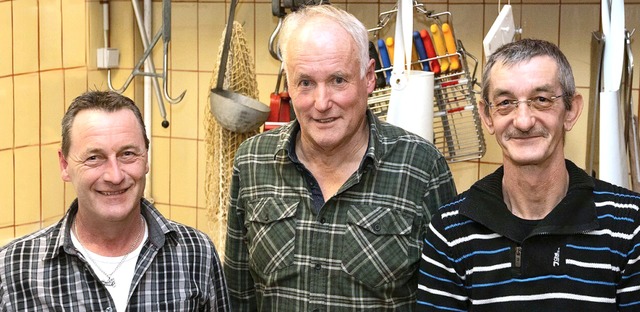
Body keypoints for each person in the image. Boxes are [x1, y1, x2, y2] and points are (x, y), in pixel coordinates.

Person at [223, 5, 456, 311]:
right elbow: (237, 296)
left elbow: (447, 300)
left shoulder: (421, 168)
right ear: (289, 84)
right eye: (305, 82)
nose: (321, 103)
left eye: (337, 80)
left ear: (369, 78)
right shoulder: (252, 162)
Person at [416, 38, 640, 311]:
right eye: (505, 102)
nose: (523, 121)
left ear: (571, 111)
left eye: (541, 100)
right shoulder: (451, 230)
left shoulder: (629, 224)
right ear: (487, 116)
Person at [0, 90, 231, 311]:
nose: (115, 175)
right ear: (64, 165)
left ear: (146, 158)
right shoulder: (14, 267)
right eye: (94, 158)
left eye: (127, 154)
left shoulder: (196, 253)